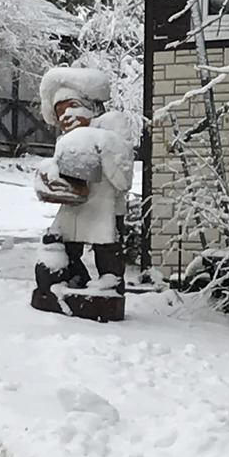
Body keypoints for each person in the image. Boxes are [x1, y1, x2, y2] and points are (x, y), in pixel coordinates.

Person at [33, 67, 134, 305]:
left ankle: (110, 281)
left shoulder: (110, 128)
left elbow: (123, 179)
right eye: (60, 112)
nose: (66, 116)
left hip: (104, 206)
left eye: (73, 106)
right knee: (59, 243)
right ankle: (72, 276)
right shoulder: (66, 141)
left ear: (92, 107)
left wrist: (101, 143)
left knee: (106, 247)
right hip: (73, 207)